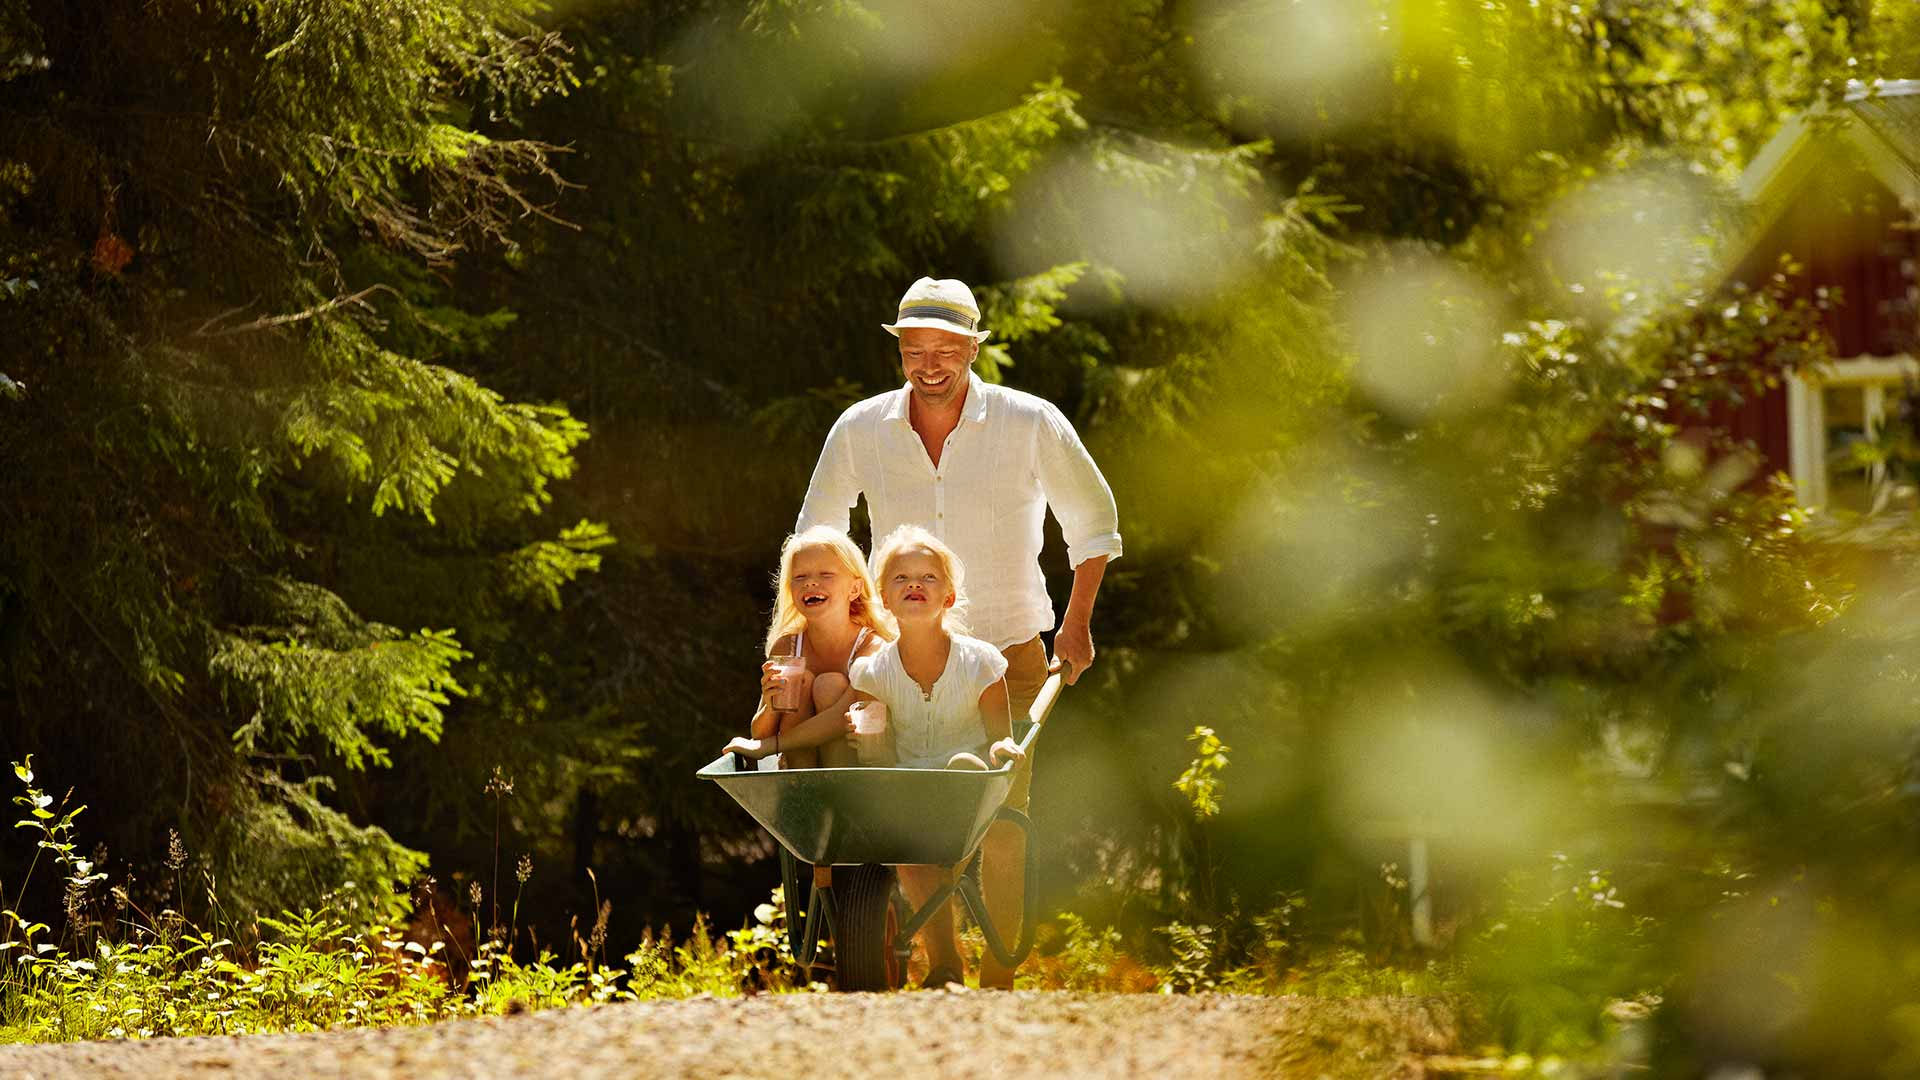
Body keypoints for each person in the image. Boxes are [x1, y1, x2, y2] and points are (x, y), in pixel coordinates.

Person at [796, 275, 1122, 988]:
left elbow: (1094, 523)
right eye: (916, 349)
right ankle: (943, 965)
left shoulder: (1028, 422)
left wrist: (1076, 624)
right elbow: (817, 537)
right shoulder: (861, 430)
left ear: (973, 347)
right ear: (900, 351)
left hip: (1007, 653)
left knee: (1002, 820)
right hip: (900, 660)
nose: (930, 363)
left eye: (946, 347)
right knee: (910, 819)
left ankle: (999, 982)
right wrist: (822, 637)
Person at [737, 526, 894, 769]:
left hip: (854, 769)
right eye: (800, 577)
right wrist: (770, 704)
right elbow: (759, 734)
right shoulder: (788, 646)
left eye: (825, 575)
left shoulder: (872, 647)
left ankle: (834, 796)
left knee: (829, 685)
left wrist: (773, 746)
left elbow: (839, 719)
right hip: (799, 762)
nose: (811, 583)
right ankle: (802, 789)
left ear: (854, 589)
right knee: (801, 681)